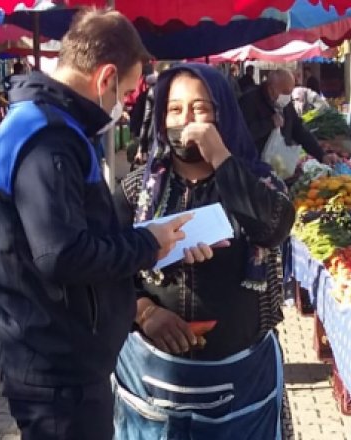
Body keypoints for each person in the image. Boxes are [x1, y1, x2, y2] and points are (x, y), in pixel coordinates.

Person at [0, 9, 191, 440]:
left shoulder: (38, 126)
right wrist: (146, 245)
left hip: (53, 357)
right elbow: (62, 253)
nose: (123, 105)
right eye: (126, 93)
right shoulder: (49, 138)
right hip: (59, 369)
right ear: (105, 78)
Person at [113, 63, 295, 439]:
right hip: (152, 383)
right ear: (161, 119)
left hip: (243, 382)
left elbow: (273, 228)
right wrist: (145, 312)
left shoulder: (259, 182)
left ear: (222, 114)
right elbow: (105, 273)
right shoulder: (135, 191)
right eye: (175, 109)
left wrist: (221, 158)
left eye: (200, 108)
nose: (187, 120)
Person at [239, 69, 337, 168]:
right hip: (253, 167)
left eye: (290, 93)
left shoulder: (286, 105)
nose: (287, 97)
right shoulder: (249, 100)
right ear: (271, 89)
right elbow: (242, 135)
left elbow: (299, 130)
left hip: (279, 166)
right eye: (285, 92)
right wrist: (270, 123)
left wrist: (321, 155)